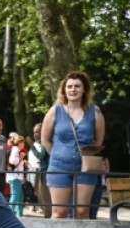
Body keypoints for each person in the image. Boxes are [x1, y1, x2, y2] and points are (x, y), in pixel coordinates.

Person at [41, 70, 106, 219]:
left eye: (77, 86)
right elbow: (45, 139)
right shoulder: (55, 111)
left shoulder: (95, 112)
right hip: (59, 167)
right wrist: (58, 155)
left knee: (82, 212)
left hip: (86, 167)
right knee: (59, 212)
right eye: (69, 86)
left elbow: (98, 141)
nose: (73, 89)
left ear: (84, 89)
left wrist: (87, 156)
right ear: (64, 90)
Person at [28, 123, 52, 218]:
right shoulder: (43, 141)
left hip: (46, 171)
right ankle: (47, 213)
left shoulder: (45, 141)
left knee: (45, 195)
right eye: (34, 132)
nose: (35, 134)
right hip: (43, 170)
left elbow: (41, 156)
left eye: (37, 132)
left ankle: (48, 215)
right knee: (41, 194)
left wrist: (32, 146)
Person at [7, 134, 28, 217]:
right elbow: (13, 161)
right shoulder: (16, 149)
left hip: (16, 177)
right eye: (23, 143)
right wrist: (20, 158)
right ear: (19, 142)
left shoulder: (15, 149)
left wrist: (22, 160)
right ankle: (10, 214)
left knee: (19, 196)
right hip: (15, 177)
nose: (24, 144)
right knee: (15, 196)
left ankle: (19, 214)